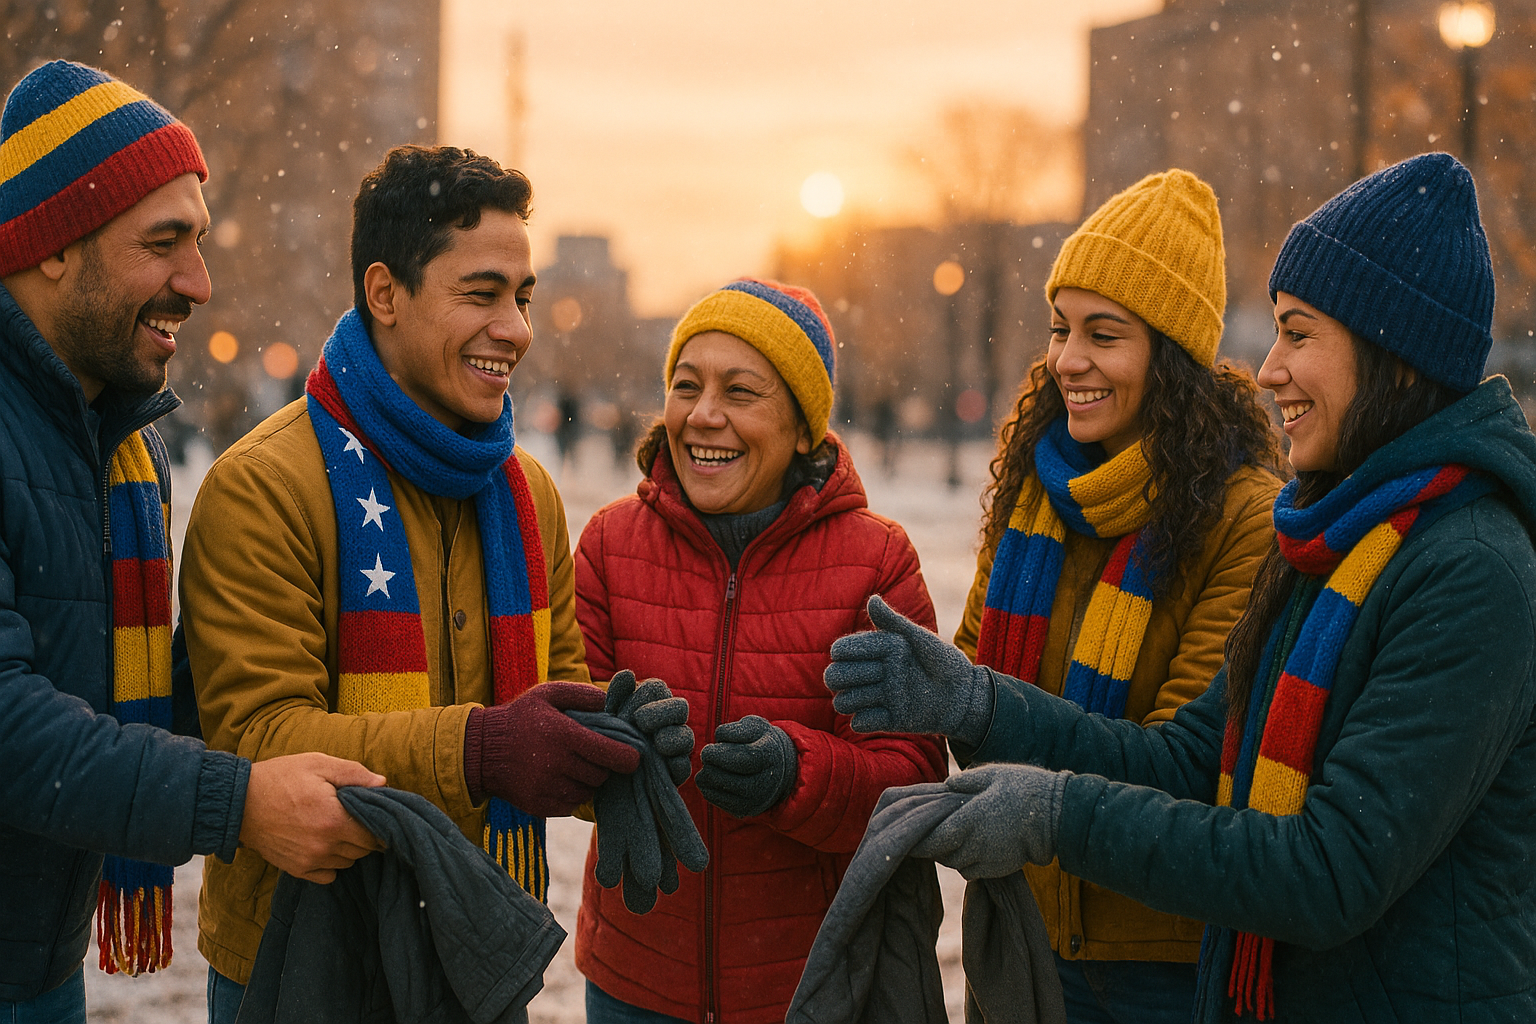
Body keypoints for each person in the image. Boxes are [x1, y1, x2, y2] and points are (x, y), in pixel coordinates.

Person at [827, 152, 1536, 1022]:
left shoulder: (1469, 567)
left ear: (1398, 355)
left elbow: (1330, 869)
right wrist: (980, 703)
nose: (1268, 368)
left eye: (1299, 333)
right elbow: (1186, 761)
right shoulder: (1332, 540)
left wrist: (1058, 815)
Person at [179, 145, 659, 1023]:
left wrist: (617, 746)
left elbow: (552, 701)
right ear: (385, 293)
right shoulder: (262, 487)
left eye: (523, 298)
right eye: (481, 294)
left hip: (475, 948)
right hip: (303, 958)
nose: (515, 329)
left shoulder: (530, 494)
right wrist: (483, 750)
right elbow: (261, 743)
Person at [0, 61, 385, 1021]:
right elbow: (11, 728)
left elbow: (116, 701)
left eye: (200, 241)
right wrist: (240, 802)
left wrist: (275, 633)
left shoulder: (122, 448)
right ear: (53, 245)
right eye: (163, 242)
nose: (199, 284)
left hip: (39, 967)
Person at [880, 169, 1285, 1022]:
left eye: (1104, 334)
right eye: (1061, 328)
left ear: (1170, 356)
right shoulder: (1034, 492)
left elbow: (1181, 768)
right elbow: (970, 702)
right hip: (1018, 930)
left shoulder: (1246, 518)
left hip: (1156, 964)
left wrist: (984, 706)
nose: (1069, 360)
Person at [572, 279, 948, 1023]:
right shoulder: (608, 544)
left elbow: (914, 777)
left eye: (740, 391)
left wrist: (795, 774)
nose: (703, 414)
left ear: (804, 429)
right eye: (687, 385)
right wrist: (614, 751)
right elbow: (559, 731)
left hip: (808, 985)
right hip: (634, 978)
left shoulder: (876, 563)